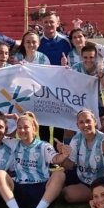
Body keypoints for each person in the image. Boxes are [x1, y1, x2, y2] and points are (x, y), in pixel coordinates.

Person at [0, 112, 71, 208]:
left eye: (26, 127)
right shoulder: (14, 143)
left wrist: (64, 155)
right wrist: (3, 117)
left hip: (41, 192)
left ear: (34, 128)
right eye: (19, 128)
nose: (22, 130)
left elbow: (56, 159)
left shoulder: (44, 146)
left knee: (60, 174)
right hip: (19, 190)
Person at [60, 109, 104, 203]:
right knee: (57, 176)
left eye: (88, 121)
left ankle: (95, 195)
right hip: (80, 175)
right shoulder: (77, 138)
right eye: (81, 122)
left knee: (68, 194)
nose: (85, 125)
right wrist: (62, 156)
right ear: (77, 125)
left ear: (95, 122)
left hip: (97, 182)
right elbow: (69, 165)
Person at [37, 11, 71, 146]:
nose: (49, 25)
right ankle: (45, 153)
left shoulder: (66, 41)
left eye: (51, 22)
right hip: (42, 88)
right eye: (46, 22)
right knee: (43, 123)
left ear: (57, 22)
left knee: (59, 122)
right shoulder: (37, 41)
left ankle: (57, 154)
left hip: (61, 88)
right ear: (41, 24)